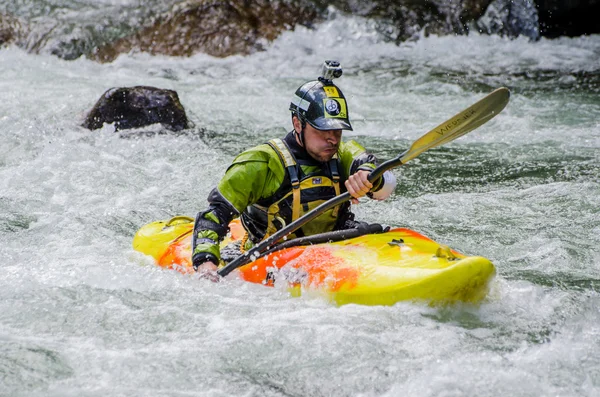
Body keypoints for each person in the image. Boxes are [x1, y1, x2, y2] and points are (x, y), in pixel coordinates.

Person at [192, 62, 397, 278]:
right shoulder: (261, 163)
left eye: (338, 130)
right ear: (298, 124)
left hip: (335, 250)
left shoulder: (343, 154)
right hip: (272, 256)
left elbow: (386, 183)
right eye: (322, 129)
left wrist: (368, 177)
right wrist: (206, 264)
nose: (332, 138)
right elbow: (213, 215)